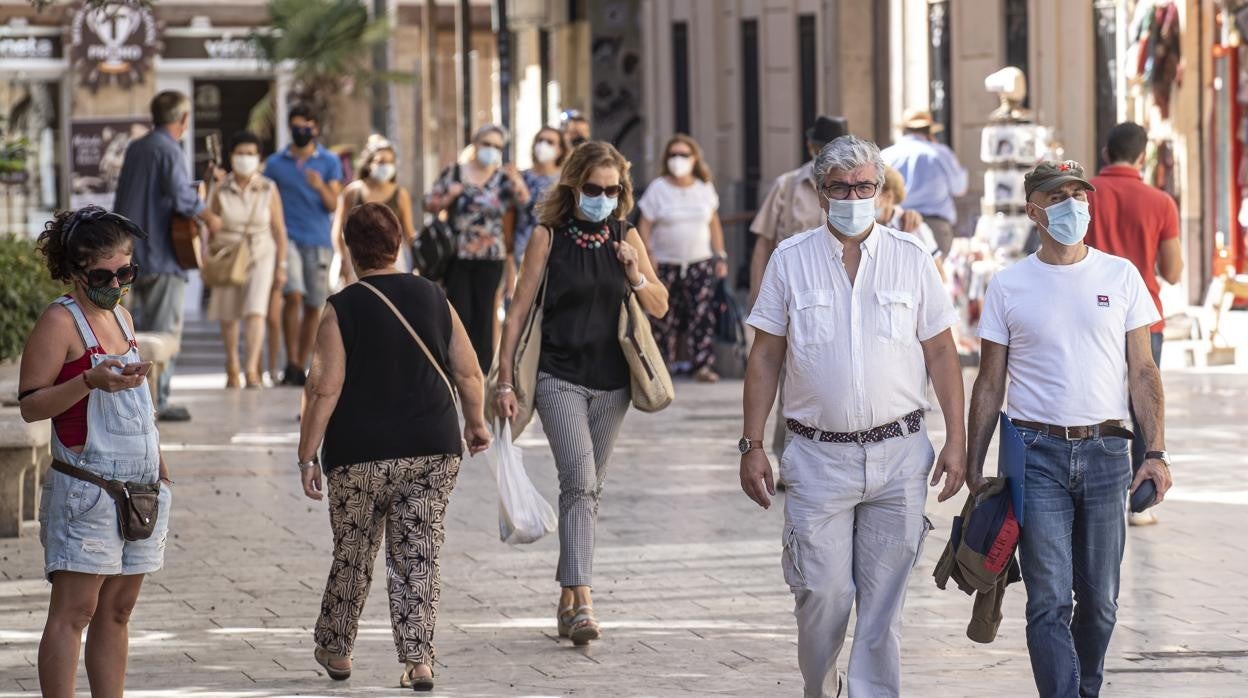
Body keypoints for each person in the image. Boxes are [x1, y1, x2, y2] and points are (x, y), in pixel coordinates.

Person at [740, 135, 966, 698]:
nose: (853, 196)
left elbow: (941, 350)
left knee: (883, 608)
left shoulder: (912, 257)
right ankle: (823, 689)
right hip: (817, 458)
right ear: (820, 193)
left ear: (881, 191)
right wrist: (751, 445)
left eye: (864, 186)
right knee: (822, 595)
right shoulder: (790, 260)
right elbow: (766, 354)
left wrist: (957, 440)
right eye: (840, 187)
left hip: (899, 455)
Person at [965, 160, 1173, 698]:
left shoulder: (1121, 275)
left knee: (1101, 602)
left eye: (1080, 194)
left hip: (1107, 452)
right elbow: (989, 382)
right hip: (1036, 455)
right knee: (1048, 600)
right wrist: (973, 462)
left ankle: (1086, 688)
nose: (1073, 205)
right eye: (1058, 197)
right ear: (1034, 210)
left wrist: (1157, 453)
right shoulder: (1009, 285)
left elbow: (1144, 371)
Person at [296, 203, 491, 691]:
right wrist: (476, 423)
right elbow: (467, 370)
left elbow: (324, 387)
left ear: (348, 247)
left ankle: (338, 650)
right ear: (399, 241)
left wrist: (306, 453)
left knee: (354, 552)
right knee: (418, 553)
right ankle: (419, 660)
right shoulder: (433, 295)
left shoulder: (342, 307)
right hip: (430, 446)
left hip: (358, 452)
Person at [494, 141, 669, 646]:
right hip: (557, 376)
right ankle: (584, 598)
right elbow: (519, 309)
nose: (603, 198)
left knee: (587, 490)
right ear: (573, 188)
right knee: (579, 476)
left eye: (612, 191)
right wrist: (505, 379)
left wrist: (634, 271)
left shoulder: (626, 235)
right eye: (593, 189)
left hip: (612, 384)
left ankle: (568, 601)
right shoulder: (547, 237)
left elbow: (658, 306)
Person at [19, 207, 173, 698]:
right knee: (75, 612)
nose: (116, 283)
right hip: (88, 488)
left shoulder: (122, 317)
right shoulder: (59, 322)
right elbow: (30, 405)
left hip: (141, 488)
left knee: (118, 611)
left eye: (126, 272)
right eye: (103, 275)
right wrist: (87, 381)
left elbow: (141, 408)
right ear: (74, 270)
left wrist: (162, 472)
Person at [1086, 122, 1183, 527]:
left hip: (1092, 314)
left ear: (1106, 152)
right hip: (1145, 317)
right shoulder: (1161, 202)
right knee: (1143, 403)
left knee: (1094, 403)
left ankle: (1091, 493)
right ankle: (1139, 500)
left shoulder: (1085, 193)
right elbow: (1173, 271)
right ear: (1143, 157)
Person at [113, 90, 222, 422]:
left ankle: (133, 400)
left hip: (127, 254)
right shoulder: (170, 149)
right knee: (163, 334)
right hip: (163, 255)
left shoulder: (136, 147)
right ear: (183, 119)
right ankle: (157, 401)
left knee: (133, 333)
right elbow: (179, 197)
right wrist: (208, 215)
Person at [424, 124, 530, 372]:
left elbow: (525, 203)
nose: (491, 150)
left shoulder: (502, 178)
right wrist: (448, 197)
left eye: (497, 146)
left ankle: (480, 371)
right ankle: (456, 367)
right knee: (460, 312)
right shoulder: (455, 173)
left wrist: (516, 179)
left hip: (491, 256)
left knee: (485, 315)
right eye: (487, 144)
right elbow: (429, 203)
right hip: (457, 255)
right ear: (476, 145)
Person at [264, 104, 344, 387]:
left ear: (315, 129)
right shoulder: (275, 164)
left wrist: (319, 185)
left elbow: (333, 203)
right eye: (296, 127)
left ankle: (304, 361)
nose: (301, 132)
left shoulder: (329, 161)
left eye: (306, 127)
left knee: (314, 305)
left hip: (319, 240)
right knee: (293, 295)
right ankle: (293, 364)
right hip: (288, 240)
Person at [637, 133, 728, 382]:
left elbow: (714, 224)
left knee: (702, 315)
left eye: (683, 155)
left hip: (699, 262)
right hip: (665, 263)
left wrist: (720, 256)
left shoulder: (704, 188)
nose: (678, 159)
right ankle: (661, 365)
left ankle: (703, 366)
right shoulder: (658, 188)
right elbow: (644, 224)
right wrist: (649, 254)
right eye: (673, 155)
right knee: (664, 316)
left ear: (694, 158)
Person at [205, 131, 289, 389]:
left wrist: (281, 265)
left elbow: (279, 229)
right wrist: (204, 258)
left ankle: (252, 369)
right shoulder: (219, 186)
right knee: (229, 312)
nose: (245, 158)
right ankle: (232, 365)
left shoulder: (268, 187)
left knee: (256, 311)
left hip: (261, 250)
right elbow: (207, 221)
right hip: (227, 251)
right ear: (231, 156)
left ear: (259, 158)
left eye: (251, 154)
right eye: (241, 153)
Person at [881, 108, 968, 256]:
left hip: (898, 224)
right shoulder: (940, 153)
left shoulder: (887, 155)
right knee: (934, 276)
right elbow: (960, 189)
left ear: (904, 130)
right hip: (936, 227)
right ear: (929, 131)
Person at [334, 135, 418, 279]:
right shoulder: (352, 192)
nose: (386, 166)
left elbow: (409, 232)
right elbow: (338, 230)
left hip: (393, 261)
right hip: (357, 258)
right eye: (381, 162)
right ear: (369, 163)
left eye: (390, 162)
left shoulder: (400, 194)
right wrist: (342, 258)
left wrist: (417, 261)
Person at [515, 126, 570, 265]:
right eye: (540, 140)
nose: (543, 145)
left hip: (555, 252)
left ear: (560, 150)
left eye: (550, 142)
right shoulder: (521, 177)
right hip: (521, 252)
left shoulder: (566, 181)